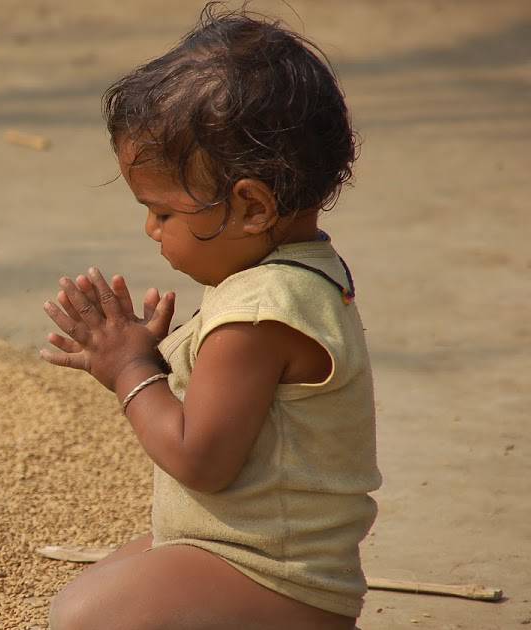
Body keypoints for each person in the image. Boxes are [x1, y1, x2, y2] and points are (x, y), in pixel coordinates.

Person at [38, 6, 382, 630]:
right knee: (118, 573)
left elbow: (201, 460)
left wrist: (131, 369)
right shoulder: (297, 274)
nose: (150, 230)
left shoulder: (256, 315)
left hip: (278, 580)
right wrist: (163, 357)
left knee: (82, 615)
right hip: (263, 559)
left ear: (251, 205)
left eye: (163, 213)